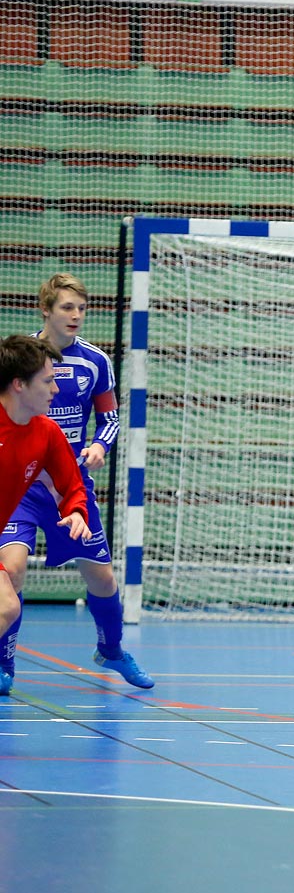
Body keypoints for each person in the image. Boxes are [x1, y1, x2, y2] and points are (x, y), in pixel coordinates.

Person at [2, 276, 154, 694]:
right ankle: (4, 664)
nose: (76, 316)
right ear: (46, 310)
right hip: (23, 483)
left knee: (102, 580)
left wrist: (100, 447)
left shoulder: (95, 362)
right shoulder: (20, 359)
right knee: (11, 573)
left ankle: (112, 649)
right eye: (67, 307)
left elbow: (109, 419)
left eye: (82, 309)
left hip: (71, 481)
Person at [0, 336, 96, 696]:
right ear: (19, 385)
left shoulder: (46, 433)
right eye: (47, 381)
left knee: (7, 604)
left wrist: (75, 512)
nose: (56, 389)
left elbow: (72, 486)